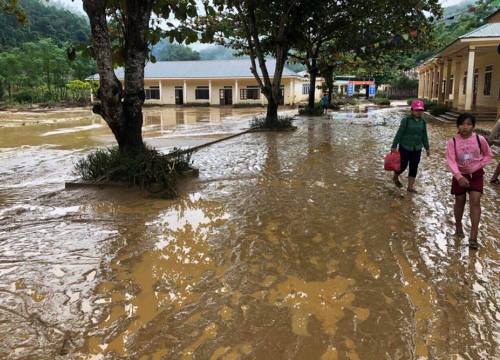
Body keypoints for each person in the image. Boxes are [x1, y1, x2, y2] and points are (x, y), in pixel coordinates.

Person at [446, 113, 492, 249]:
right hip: (459, 175)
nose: (465, 127)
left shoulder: (480, 139)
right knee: (459, 201)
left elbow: (488, 155)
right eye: (462, 124)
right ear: (458, 126)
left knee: (475, 201)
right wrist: (459, 176)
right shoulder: (452, 142)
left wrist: (479, 165)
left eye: (468, 124)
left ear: (473, 126)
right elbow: (451, 160)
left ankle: (473, 236)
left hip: (476, 175)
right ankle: (458, 226)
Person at [391, 99, 430, 193]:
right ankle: (395, 176)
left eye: (420, 110)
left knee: (414, 167)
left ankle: (410, 187)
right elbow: (399, 133)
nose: (419, 112)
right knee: (403, 166)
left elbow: (424, 135)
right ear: (412, 110)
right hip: (405, 146)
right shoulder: (406, 120)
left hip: (417, 148)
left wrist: (427, 148)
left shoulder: (423, 122)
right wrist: (394, 145)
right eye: (416, 110)